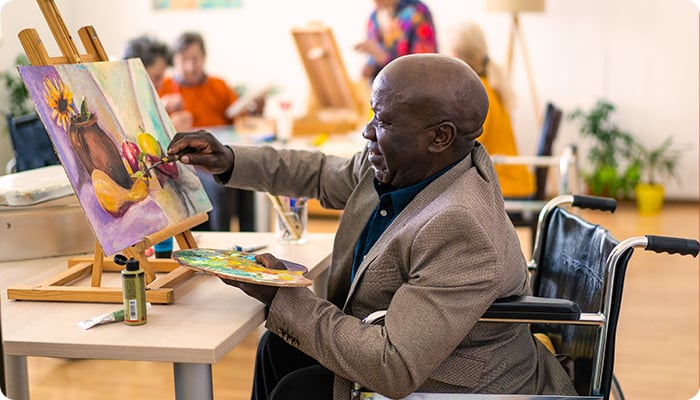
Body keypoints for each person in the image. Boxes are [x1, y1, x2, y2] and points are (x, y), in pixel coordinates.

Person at [167, 54, 577, 399]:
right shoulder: (407, 161)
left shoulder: (461, 226)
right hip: (405, 348)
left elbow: (393, 365)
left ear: (440, 137)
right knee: (277, 348)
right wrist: (229, 160)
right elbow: (321, 173)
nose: (367, 132)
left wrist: (280, 296)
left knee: (299, 389)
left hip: (458, 384)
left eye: (381, 120)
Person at [158, 31, 257, 231]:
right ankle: (220, 248)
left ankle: (250, 240)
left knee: (248, 178)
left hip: (221, 153)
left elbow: (240, 118)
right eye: (184, 60)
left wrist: (254, 109)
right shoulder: (165, 88)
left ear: (204, 58)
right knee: (220, 186)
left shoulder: (218, 86)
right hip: (190, 162)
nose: (190, 67)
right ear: (174, 61)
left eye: (195, 59)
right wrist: (167, 113)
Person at [452, 22, 535, 198]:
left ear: (456, 55)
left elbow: (468, 146)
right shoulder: (489, 85)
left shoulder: (478, 93)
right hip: (511, 179)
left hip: (502, 183)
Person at [355, 0, 438, 81]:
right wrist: (370, 67)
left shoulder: (417, 10)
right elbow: (373, 62)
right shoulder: (373, 19)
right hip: (386, 89)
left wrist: (382, 57)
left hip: (417, 86)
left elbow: (424, 63)